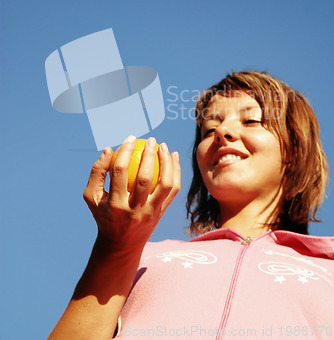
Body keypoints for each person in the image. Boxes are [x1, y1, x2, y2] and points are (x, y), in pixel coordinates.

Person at [48, 71, 333, 340]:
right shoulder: (141, 257)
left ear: (295, 151)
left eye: (250, 121)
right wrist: (116, 247)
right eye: (209, 129)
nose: (222, 132)